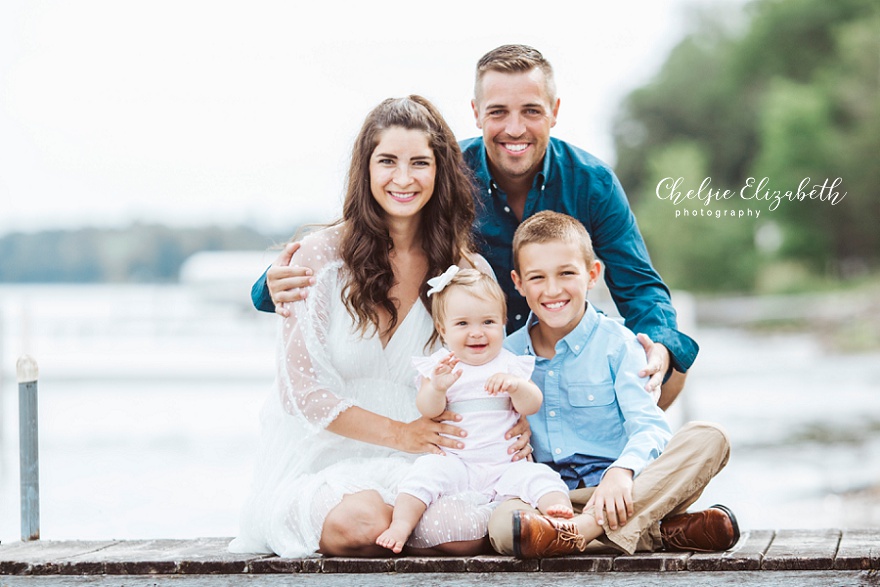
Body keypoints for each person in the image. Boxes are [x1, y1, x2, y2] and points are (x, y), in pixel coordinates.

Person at [251, 44, 697, 410]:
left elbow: (640, 287)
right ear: (477, 112)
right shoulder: (448, 171)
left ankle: (601, 472)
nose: (515, 128)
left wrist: (658, 344)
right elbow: (370, 228)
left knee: (668, 367)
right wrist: (269, 286)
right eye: (499, 111)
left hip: (567, 350)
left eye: (531, 111)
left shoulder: (592, 182)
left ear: (555, 111)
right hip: (478, 362)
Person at [229, 95, 510, 558]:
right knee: (365, 521)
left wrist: (510, 426)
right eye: (388, 161)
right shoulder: (318, 259)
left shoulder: (465, 271)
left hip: (425, 463)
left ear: (440, 173)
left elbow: (486, 371)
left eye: (420, 162)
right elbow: (302, 394)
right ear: (366, 170)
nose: (404, 178)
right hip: (323, 458)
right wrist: (402, 434)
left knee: (461, 530)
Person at [487, 210, 738, 558]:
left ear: (592, 274)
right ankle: (658, 532)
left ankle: (583, 531)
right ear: (518, 282)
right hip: (548, 499)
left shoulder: (620, 345)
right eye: (537, 278)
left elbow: (649, 427)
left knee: (711, 437)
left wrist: (622, 471)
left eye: (566, 273)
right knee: (503, 529)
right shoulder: (507, 354)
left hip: (625, 489)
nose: (553, 289)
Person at [376, 267, 573, 554]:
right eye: (463, 324)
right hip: (458, 463)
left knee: (541, 477)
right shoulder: (442, 366)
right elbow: (427, 410)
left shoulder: (510, 364)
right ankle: (401, 525)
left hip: (505, 465)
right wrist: (438, 388)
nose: (477, 332)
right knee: (424, 473)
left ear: (503, 323)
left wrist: (517, 387)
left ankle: (560, 516)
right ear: (443, 329)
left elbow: (533, 404)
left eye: (488, 322)